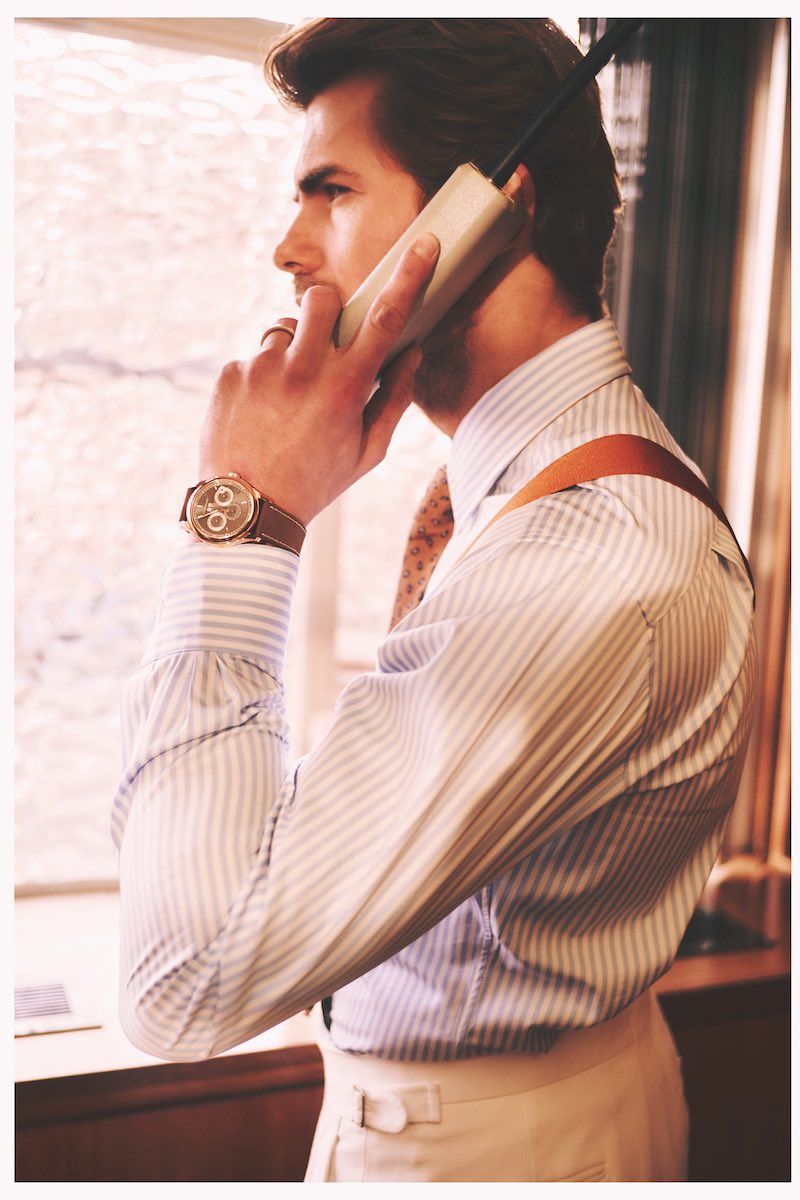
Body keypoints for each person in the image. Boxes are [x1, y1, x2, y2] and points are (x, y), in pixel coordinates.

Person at [112, 18, 756, 1183]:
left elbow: (185, 985)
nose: (287, 248)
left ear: (483, 212)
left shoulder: (586, 557)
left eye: (329, 191)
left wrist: (246, 512)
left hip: (499, 1149)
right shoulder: (522, 486)